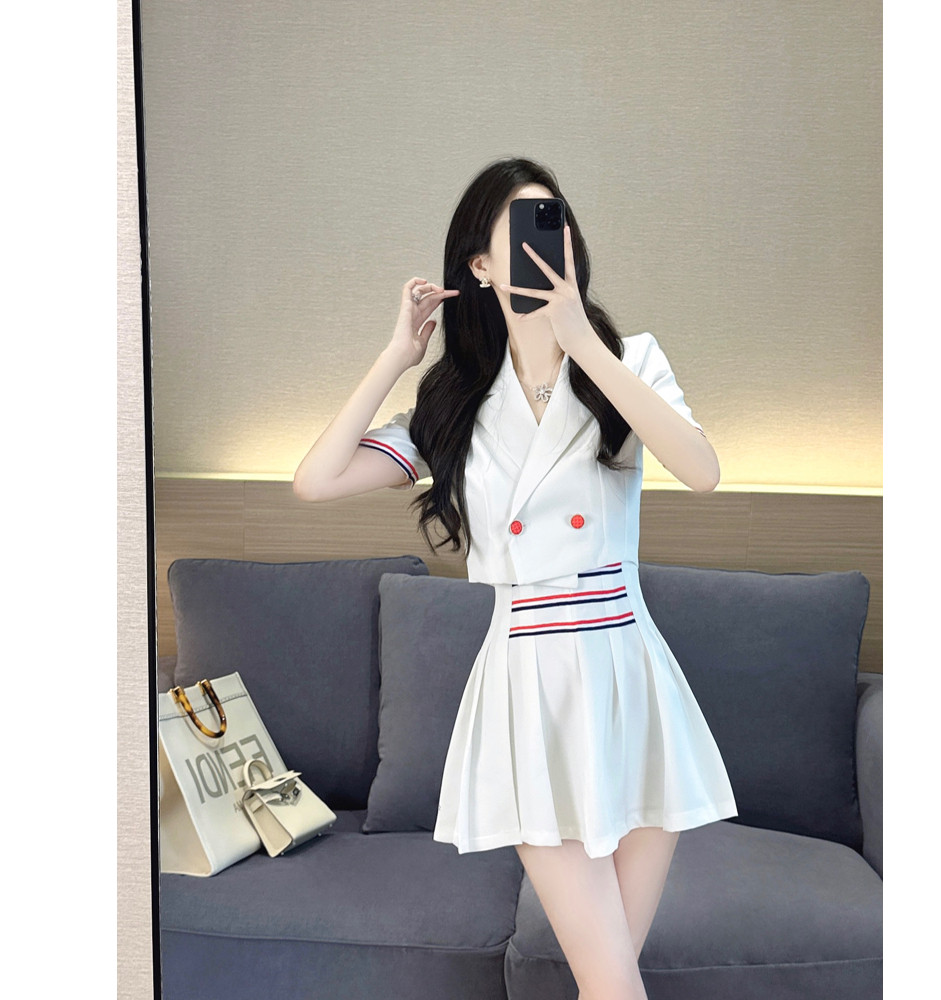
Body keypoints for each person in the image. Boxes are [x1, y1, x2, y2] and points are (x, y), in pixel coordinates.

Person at [294, 157, 738, 1000]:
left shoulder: (628, 360)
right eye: (526, 227)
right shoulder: (454, 406)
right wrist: (396, 355)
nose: (550, 240)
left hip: (632, 684)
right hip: (529, 688)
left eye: (557, 221)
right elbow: (315, 481)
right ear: (480, 265)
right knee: (613, 986)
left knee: (609, 984)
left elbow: (702, 470)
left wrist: (583, 343)